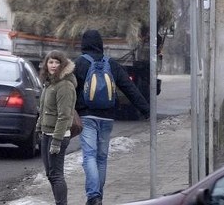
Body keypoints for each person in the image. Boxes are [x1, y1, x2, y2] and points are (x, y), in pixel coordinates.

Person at [74, 29, 150, 205]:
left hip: (87, 116)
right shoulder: (112, 64)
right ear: (101, 44)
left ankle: (93, 196)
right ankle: (97, 196)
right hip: (107, 118)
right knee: (101, 157)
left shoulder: (80, 63)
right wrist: (145, 109)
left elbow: (70, 89)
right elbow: (129, 88)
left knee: (89, 156)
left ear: (84, 44)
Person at [35, 50, 77, 205]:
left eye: (57, 62)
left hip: (57, 135)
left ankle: (62, 203)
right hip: (47, 133)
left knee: (56, 174)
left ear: (62, 64)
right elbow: (43, 108)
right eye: (50, 62)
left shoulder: (64, 85)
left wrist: (57, 140)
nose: (53, 65)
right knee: (50, 174)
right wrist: (39, 127)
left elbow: (64, 115)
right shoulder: (49, 83)